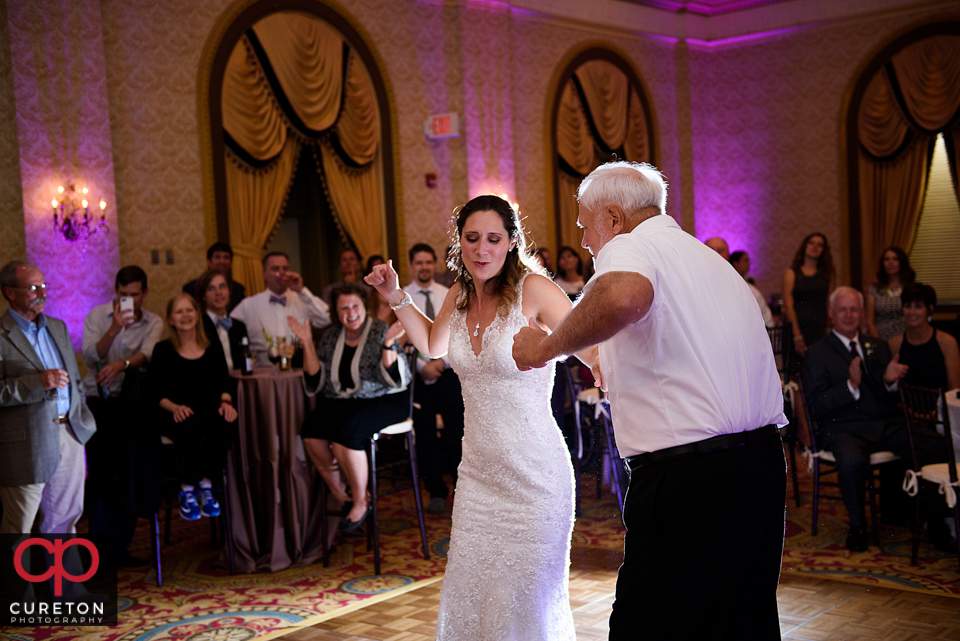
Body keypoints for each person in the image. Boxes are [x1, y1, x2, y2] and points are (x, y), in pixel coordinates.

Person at [512, 162, 786, 640]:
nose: (585, 242)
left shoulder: (629, 246)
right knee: (742, 622)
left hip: (690, 481)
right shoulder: (706, 259)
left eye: (585, 227)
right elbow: (679, 348)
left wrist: (543, 349)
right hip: (760, 467)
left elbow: (623, 297)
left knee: (647, 626)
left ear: (614, 218)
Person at [366, 195, 600, 640]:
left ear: (512, 242)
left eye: (493, 239)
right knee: (472, 600)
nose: (481, 249)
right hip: (477, 479)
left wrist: (609, 364)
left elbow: (589, 343)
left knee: (526, 606)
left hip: (536, 479)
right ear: (459, 242)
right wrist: (393, 294)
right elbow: (433, 345)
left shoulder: (535, 289)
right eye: (471, 239)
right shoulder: (458, 294)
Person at [288, 285, 409, 531]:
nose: (350, 312)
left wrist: (388, 343)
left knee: (348, 433)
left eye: (355, 306)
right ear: (336, 311)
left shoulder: (379, 329)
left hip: (386, 399)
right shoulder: (332, 336)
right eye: (343, 307)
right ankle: (343, 494)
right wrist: (308, 343)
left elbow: (395, 378)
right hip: (348, 402)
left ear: (364, 306)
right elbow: (316, 379)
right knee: (311, 430)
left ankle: (361, 501)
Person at [803, 286, 910, 551]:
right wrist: (850, 385)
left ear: (863, 314)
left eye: (854, 309)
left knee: (928, 444)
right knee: (851, 461)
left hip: (883, 423)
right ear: (831, 313)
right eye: (843, 309)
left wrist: (889, 382)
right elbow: (815, 404)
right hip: (844, 429)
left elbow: (888, 397)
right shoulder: (817, 353)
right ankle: (857, 526)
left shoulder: (878, 346)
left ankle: (934, 520)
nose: (849, 315)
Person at [0, 261, 96, 535]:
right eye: (33, 288)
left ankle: (65, 580)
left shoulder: (57, 327)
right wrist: (37, 384)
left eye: (44, 286)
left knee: (65, 523)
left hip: (70, 434)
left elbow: (75, 380)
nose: (42, 293)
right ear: (10, 292)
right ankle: (15, 581)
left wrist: (81, 419)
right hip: (26, 443)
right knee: (18, 529)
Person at [82, 265, 164, 566]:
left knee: (128, 474)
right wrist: (114, 329)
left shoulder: (153, 321)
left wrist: (121, 365)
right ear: (116, 292)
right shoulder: (97, 316)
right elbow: (90, 356)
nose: (129, 299)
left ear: (144, 293)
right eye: (123, 294)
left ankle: (121, 547)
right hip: (98, 402)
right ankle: (98, 550)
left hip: (133, 406)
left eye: (134, 294)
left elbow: (149, 353)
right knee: (101, 476)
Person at [149, 293, 237, 520]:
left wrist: (226, 401)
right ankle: (187, 489)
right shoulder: (163, 350)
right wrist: (174, 407)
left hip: (207, 409)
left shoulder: (212, 347)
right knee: (189, 424)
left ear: (198, 315)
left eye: (189, 310)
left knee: (226, 421)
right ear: (170, 319)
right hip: (173, 412)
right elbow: (155, 393)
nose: (185, 315)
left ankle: (207, 484)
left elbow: (223, 382)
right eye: (179, 311)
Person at [403, 243, 465, 514]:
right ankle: (436, 492)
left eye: (429, 262)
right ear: (411, 266)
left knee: (457, 433)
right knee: (425, 436)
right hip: (417, 378)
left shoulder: (448, 294)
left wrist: (441, 361)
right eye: (419, 263)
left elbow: (460, 334)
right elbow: (399, 342)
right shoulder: (402, 297)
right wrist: (421, 366)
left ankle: (462, 491)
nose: (425, 267)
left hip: (449, 373)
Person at [230, 252, 331, 367]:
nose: (281, 272)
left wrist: (302, 291)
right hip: (263, 374)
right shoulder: (249, 304)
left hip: (299, 370)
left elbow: (328, 318)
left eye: (285, 268)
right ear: (264, 274)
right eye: (275, 269)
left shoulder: (303, 301)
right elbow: (227, 330)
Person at [889, 283, 960, 390]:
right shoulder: (894, 344)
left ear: (930, 309)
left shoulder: (947, 342)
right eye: (907, 306)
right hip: (906, 406)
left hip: (940, 406)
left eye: (918, 307)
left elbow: (954, 389)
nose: (912, 312)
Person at [782, 232, 835, 355]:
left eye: (820, 245)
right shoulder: (791, 273)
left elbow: (829, 303)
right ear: (805, 246)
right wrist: (797, 336)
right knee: (796, 371)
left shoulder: (828, 274)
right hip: (797, 328)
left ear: (824, 250)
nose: (815, 247)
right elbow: (788, 306)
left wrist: (829, 328)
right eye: (811, 243)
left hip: (820, 329)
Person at [197, 269, 250, 373]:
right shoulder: (198, 326)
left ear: (229, 291)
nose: (218, 293)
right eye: (211, 288)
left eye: (222, 287)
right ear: (203, 296)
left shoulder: (239, 326)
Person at [866, 246, 915, 341]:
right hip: (880, 338)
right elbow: (870, 321)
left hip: (907, 339)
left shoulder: (910, 288)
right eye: (887, 259)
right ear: (882, 263)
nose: (890, 263)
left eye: (895, 259)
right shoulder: (874, 290)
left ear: (901, 262)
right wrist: (880, 344)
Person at [183, 242, 246, 313]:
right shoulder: (192, 287)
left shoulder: (238, 289)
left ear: (231, 263)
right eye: (218, 257)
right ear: (209, 261)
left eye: (226, 257)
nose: (222, 261)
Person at [730, 251, 774, 328]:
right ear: (735, 263)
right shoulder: (748, 289)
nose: (748, 264)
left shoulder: (750, 283)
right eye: (745, 260)